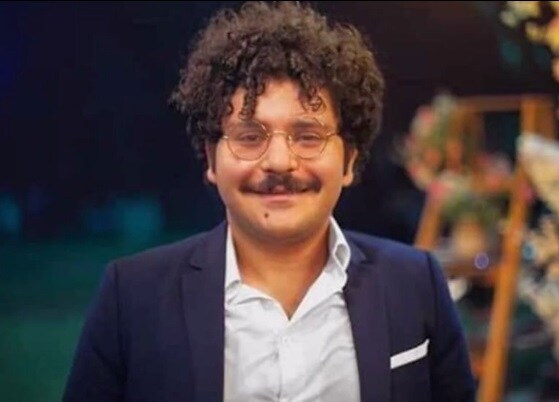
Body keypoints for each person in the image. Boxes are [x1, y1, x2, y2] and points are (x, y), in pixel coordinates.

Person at [63, 2, 476, 401]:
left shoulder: (415, 285)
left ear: (350, 161)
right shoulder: (132, 298)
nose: (279, 161)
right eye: (249, 137)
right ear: (211, 160)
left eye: (308, 136)